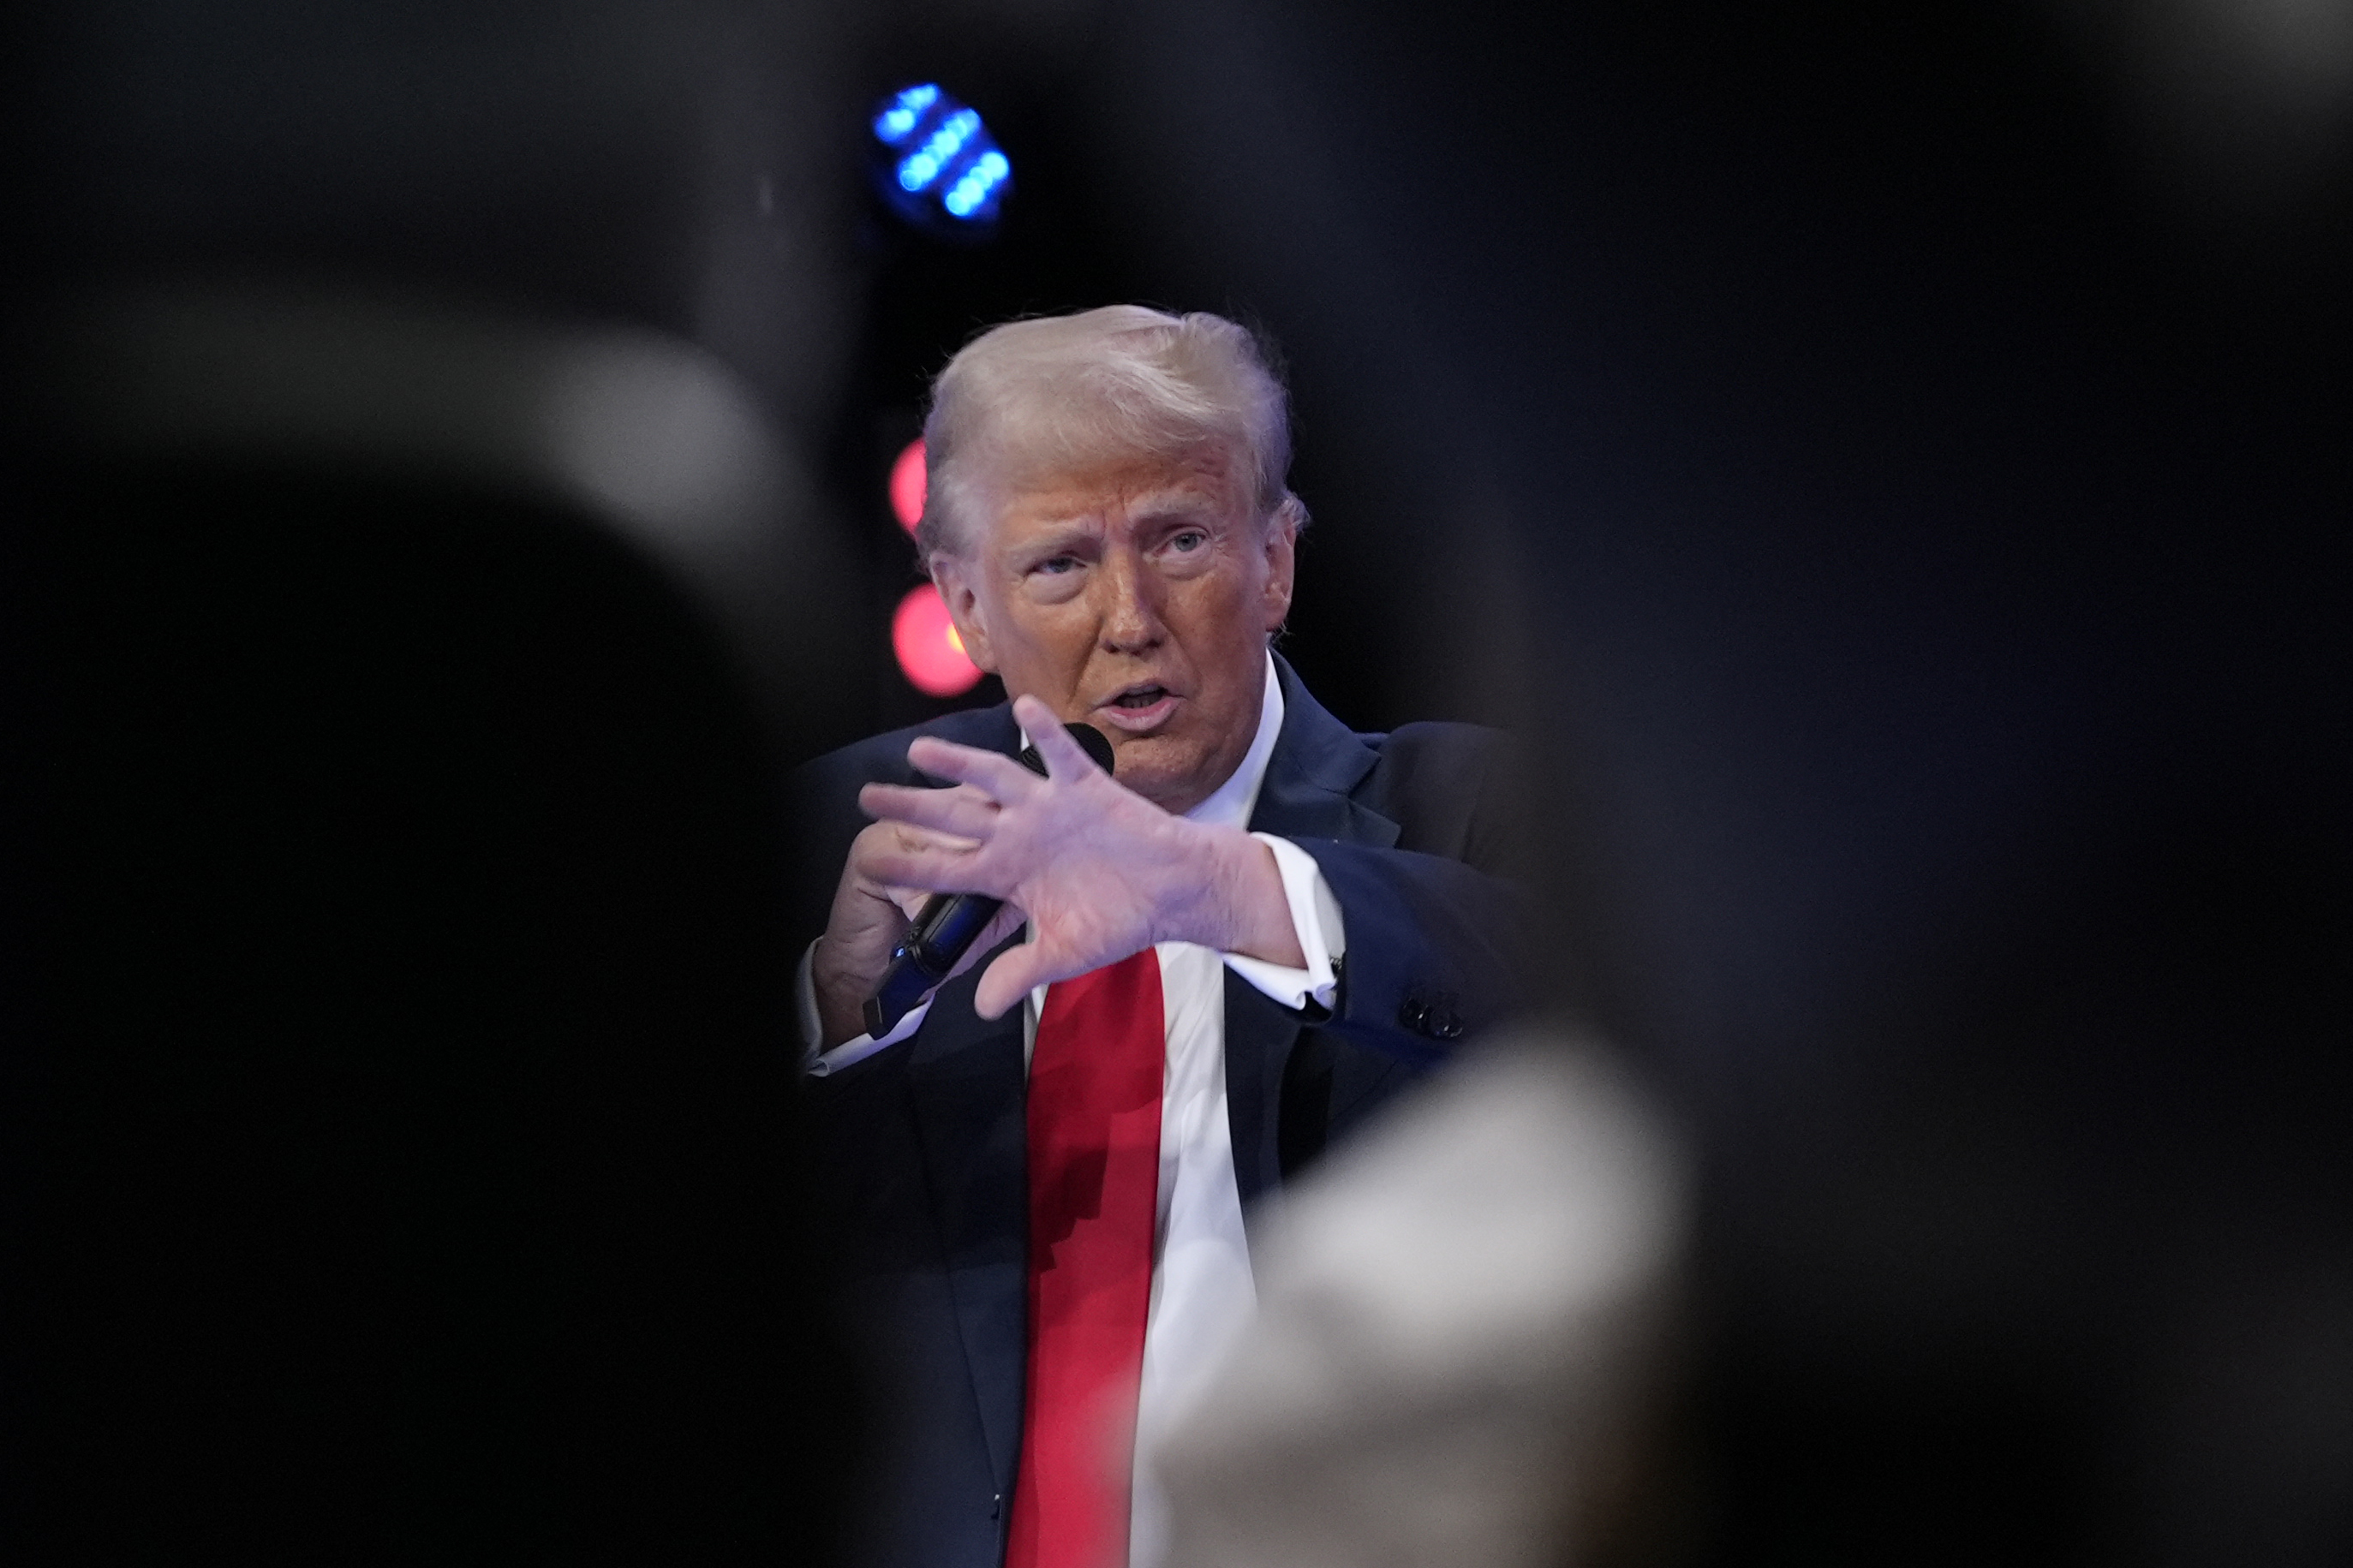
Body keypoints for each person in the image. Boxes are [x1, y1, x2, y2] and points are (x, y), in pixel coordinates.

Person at [791, 307, 1528, 1568]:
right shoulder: (840, 839)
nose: (1130, 618)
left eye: (1180, 540)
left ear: (1276, 562)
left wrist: (1219, 888)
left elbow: (1590, 1029)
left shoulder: (1465, 813)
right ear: (965, 607)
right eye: (1061, 565)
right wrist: (840, 1003)